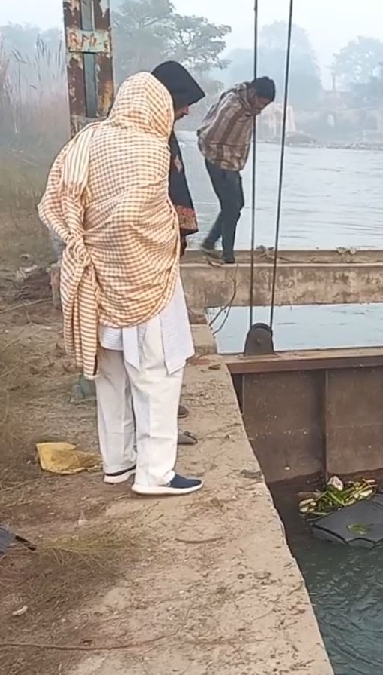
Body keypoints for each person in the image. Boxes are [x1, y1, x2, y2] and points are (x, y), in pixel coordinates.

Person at [38, 72, 203, 496]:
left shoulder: (87, 141)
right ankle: (156, 475)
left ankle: (118, 463)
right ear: (158, 107)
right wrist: (163, 233)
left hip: (94, 278)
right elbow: (136, 216)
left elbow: (56, 200)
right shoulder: (149, 147)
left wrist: (87, 244)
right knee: (158, 374)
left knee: (110, 375)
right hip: (145, 279)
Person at [151, 60, 206, 446]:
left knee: (167, 342)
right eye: (182, 102)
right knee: (156, 346)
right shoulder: (146, 141)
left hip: (162, 253)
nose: (186, 111)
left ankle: (163, 414)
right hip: (147, 257)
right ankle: (158, 427)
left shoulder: (162, 133)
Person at [195, 76, 276, 264]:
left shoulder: (248, 106)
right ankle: (227, 254)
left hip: (231, 163)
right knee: (231, 207)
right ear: (253, 94)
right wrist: (219, 159)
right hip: (219, 162)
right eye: (261, 103)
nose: (261, 109)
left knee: (236, 205)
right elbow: (209, 134)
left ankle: (209, 242)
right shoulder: (233, 108)